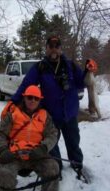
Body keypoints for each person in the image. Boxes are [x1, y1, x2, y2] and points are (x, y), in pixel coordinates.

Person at [11, 36, 96, 175]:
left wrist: (88, 70)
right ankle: (56, 170)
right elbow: (26, 85)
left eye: (57, 46)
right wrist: (13, 102)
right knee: (52, 145)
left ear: (61, 49)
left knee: (74, 143)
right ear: (46, 49)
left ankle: (77, 165)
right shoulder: (40, 67)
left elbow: (81, 83)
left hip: (70, 113)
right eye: (50, 46)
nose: (53, 49)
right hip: (50, 116)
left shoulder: (71, 65)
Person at [0, 85, 59, 191]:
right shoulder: (12, 114)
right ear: (24, 98)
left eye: (36, 98)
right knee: (4, 173)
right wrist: (3, 150)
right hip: (14, 155)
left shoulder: (45, 115)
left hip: (37, 155)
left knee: (53, 168)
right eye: (29, 97)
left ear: (40, 100)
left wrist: (43, 148)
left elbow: (52, 134)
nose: (33, 100)